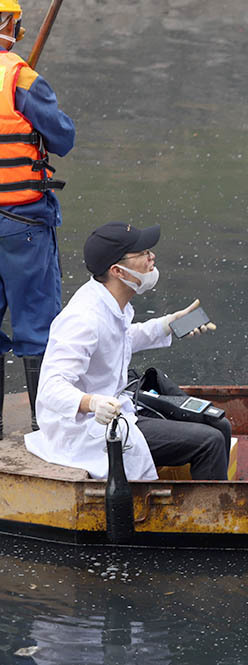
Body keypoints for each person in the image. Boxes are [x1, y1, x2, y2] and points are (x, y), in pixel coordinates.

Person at [24, 222, 230, 481]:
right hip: (88, 427)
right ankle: (208, 508)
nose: (151, 257)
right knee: (209, 442)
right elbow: (50, 389)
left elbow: (119, 340)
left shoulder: (109, 301)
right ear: (117, 271)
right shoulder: (83, 318)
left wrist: (169, 324)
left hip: (118, 406)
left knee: (218, 424)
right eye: (143, 253)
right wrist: (92, 402)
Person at [0, 0, 74, 437]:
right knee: (38, 325)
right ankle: (44, 426)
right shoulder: (20, 76)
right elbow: (62, 137)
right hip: (22, 223)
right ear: (11, 24)